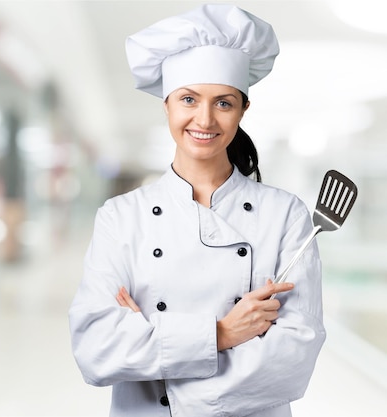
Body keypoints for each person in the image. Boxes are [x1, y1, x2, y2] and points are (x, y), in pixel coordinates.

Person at [68, 4, 326, 417]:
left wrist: (162, 370)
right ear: (167, 105)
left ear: (242, 110)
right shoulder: (120, 217)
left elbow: (293, 357)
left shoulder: (285, 216)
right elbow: (97, 352)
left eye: (223, 103)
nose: (204, 118)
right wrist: (222, 334)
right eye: (189, 99)